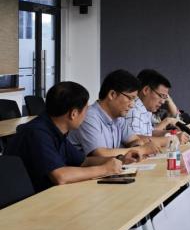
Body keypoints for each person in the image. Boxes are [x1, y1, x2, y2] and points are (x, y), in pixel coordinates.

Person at [5, 82, 138, 192]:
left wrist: (119, 159)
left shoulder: (57, 129)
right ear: (73, 114)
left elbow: (84, 162)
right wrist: (104, 169)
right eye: (86, 109)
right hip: (27, 203)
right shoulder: (37, 133)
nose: (87, 114)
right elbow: (61, 176)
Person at [68, 70, 158, 157]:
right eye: (130, 98)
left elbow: (134, 140)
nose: (132, 105)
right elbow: (101, 154)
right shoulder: (89, 116)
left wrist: (137, 148)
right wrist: (141, 150)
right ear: (112, 94)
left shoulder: (118, 117)